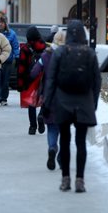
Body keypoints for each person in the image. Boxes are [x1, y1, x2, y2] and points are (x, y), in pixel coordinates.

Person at [43, 19, 101, 193]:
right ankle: (80, 180)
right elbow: (96, 81)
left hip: (63, 100)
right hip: (83, 101)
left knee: (65, 141)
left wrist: (47, 103)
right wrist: (94, 103)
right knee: (81, 142)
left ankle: (65, 179)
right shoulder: (90, 53)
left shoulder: (60, 52)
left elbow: (51, 79)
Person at [30, 30, 66, 170]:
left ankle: (52, 148)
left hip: (49, 95)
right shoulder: (71, 56)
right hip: (66, 96)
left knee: (51, 126)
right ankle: (62, 156)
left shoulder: (46, 55)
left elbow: (34, 72)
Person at [17, 26, 47, 135]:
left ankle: (32, 127)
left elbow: (21, 67)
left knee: (32, 102)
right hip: (44, 77)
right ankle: (42, 116)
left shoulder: (25, 48)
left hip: (31, 78)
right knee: (44, 99)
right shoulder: (44, 47)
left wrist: (20, 83)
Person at [0, 15, 20, 106]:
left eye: (2, 22)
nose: (0, 24)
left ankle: (4, 98)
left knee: (5, 81)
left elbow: (15, 46)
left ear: (5, 24)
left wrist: (17, 57)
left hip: (7, 60)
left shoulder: (11, 34)